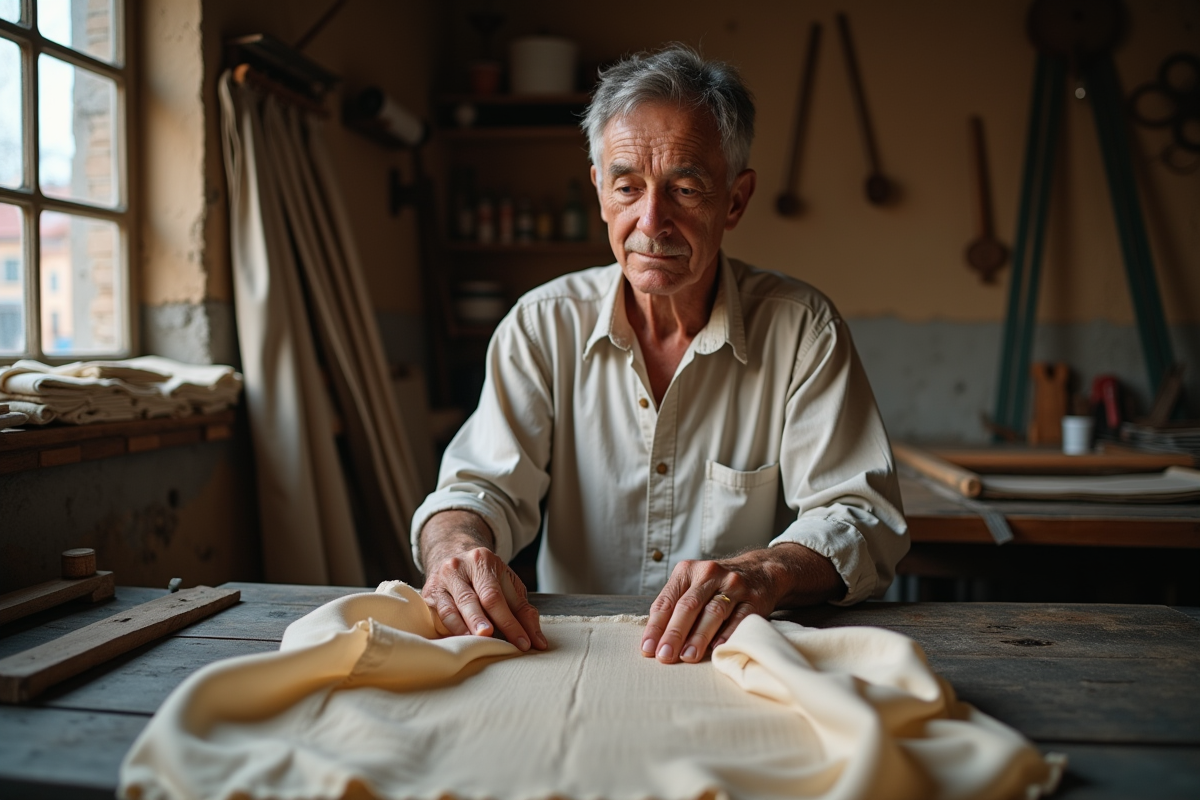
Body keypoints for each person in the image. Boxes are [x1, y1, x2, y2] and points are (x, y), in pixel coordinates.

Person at [411, 44, 908, 665]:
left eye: (686, 187)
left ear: (735, 199)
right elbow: (477, 487)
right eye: (627, 187)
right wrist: (456, 548)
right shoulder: (542, 326)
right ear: (598, 191)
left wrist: (765, 571)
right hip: (566, 652)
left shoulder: (802, 328)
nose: (652, 221)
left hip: (727, 655)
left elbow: (859, 515)